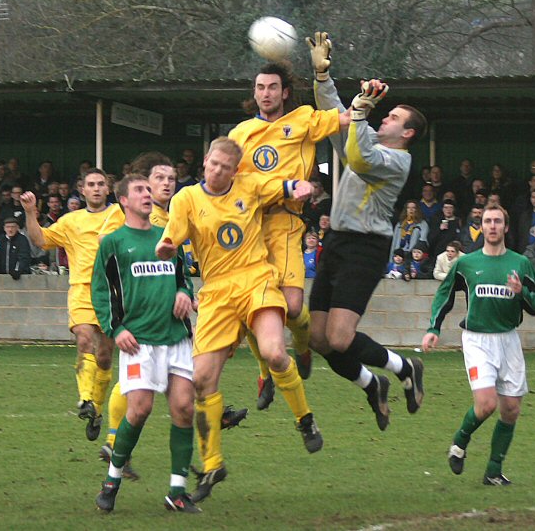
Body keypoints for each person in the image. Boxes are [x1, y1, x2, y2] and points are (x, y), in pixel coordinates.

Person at [155, 137, 322, 503]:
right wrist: (166, 248)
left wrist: (303, 185)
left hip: (256, 279)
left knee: (275, 353)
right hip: (215, 292)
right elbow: (171, 238)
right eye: (213, 164)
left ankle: (305, 419)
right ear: (204, 162)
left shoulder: (249, 185)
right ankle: (213, 464)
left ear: (235, 170)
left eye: (225, 167)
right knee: (201, 380)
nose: (217, 171)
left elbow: (283, 186)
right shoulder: (185, 199)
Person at [306, 32, 426, 431]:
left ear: (407, 133)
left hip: (365, 248)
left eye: (393, 118)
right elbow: (338, 117)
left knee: (340, 339)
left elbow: (357, 155)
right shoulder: (369, 135)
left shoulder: (396, 161)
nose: (384, 117)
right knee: (318, 339)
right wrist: (323, 78)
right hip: (337, 241)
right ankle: (373, 383)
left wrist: (359, 112)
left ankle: (404, 366)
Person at [227, 59, 345, 406]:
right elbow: (229, 178)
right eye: (260, 87)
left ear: (285, 92)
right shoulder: (240, 134)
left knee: (293, 308)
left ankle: (304, 346)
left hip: (287, 223)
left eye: (272, 87)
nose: (266, 93)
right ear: (254, 92)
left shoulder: (303, 119)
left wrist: (361, 99)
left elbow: (343, 118)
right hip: (251, 226)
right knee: (252, 307)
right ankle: (266, 373)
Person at [91, 174, 200, 514]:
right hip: (138, 342)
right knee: (139, 410)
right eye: (139, 190)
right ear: (123, 200)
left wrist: (184, 293)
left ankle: (177, 492)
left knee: (184, 409)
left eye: (147, 190)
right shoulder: (113, 243)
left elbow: (184, 279)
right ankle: (112, 480)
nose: (147, 194)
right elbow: (100, 292)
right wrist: (115, 328)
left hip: (176, 337)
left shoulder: (168, 238)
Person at [422, 204, 535, 486]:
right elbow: (444, 295)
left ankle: (493, 471)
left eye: (497, 221)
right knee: (487, 404)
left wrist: (522, 292)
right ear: (482, 226)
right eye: (487, 221)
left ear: (506, 227)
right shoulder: (467, 263)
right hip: (477, 340)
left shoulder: (521, 263)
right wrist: (434, 328)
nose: (492, 226)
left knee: (511, 409)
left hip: (508, 339)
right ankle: (459, 442)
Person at [21, 169, 125, 441]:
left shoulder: (120, 215)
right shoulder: (70, 221)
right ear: (82, 189)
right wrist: (31, 212)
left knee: (104, 356)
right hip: (82, 289)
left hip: (113, 292)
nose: (96, 188)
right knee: (83, 339)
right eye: (91, 184)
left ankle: (97, 410)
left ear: (108, 188)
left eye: (101, 184)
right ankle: (85, 399)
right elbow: (40, 239)